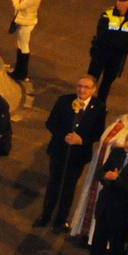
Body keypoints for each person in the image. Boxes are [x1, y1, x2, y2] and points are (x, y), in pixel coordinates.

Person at [68, 96, 128, 244]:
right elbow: (105, 141)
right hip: (107, 178)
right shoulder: (122, 121)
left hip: (125, 190)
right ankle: (89, 234)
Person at [35, 75, 105, 229]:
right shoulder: (64, 101)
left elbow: (99, 131)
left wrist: (82, 140)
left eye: (86, 87)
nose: (82, 90)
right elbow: (51, 123)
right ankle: (45, 215)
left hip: (78, 156)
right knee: (53, 183)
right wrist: (63, 135)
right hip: (59, 150)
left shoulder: (99, 107)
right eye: (79, 86)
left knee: (69, 187)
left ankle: (61, 219)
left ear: (93, 90)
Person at [87, 0, 128, 103]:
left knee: (107, 81)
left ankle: (100, 104)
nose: (121, 3)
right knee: (92, 79)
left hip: (117, 55)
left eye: (124, 1)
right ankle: (85, 101)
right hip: (102, 52)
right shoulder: (107, 14)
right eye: (119, 1)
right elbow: (101, 34)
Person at [8, 0, 43, 83]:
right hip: (24, 20)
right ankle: (18, 70)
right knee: (20, 44)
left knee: (23, 46)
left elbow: (19, 6)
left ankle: (21, 73)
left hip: (26, 22)